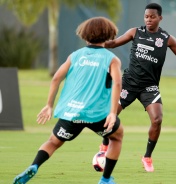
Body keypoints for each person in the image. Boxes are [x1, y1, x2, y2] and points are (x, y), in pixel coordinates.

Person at [13, 17, 123, 184]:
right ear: (109, 35)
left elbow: (56, 78)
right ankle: (105, 179)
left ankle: (34, 166)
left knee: (53, 141)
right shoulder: (112, 59)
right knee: (117, 137)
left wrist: (49, 105)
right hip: (97, 114)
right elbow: (117, 83)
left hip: (71, 112)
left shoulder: (75, 56)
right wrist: (113, 113)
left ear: (85, 36)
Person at [99, 3, 176, 172]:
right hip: (129, 83)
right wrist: (97, 43)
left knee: (157, 120)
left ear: (160, 18)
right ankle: (104, 146)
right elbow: (114, 43)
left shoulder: (167, 39)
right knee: (111, 115)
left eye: (152, 17)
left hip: (149, 86)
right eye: (146, 16)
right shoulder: (135, 32)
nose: (148, 19)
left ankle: (147, 157)